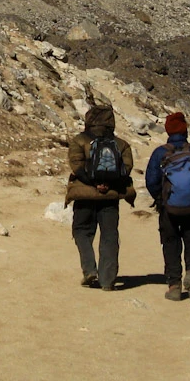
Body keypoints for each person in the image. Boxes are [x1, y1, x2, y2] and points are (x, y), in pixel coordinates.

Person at [145, 112, 190, 303]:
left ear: (168, 130)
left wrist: (161, 198)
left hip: (169, 208)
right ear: (185, 130)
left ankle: (174, 285)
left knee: (170, 243)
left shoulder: (160, 153)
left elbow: (151, 180)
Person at [65, 104, 136, 290]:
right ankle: (107, 281)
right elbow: (126, 169)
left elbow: (77, 166)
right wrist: (108, 184)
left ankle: (89, 269)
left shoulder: (79, 140)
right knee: (109, 236)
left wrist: (93, 183)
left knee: (81, 231)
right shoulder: (121, 144)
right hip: (110, 197)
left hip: (85, 195)